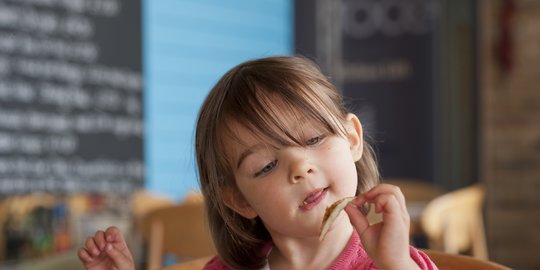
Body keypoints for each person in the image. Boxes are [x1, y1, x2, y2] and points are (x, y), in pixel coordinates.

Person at [78, 56, 437, 270]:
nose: (300, 167)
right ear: (239, 199)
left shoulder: (391, 262)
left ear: (352, 139)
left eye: (313, 139)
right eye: (266, 166)